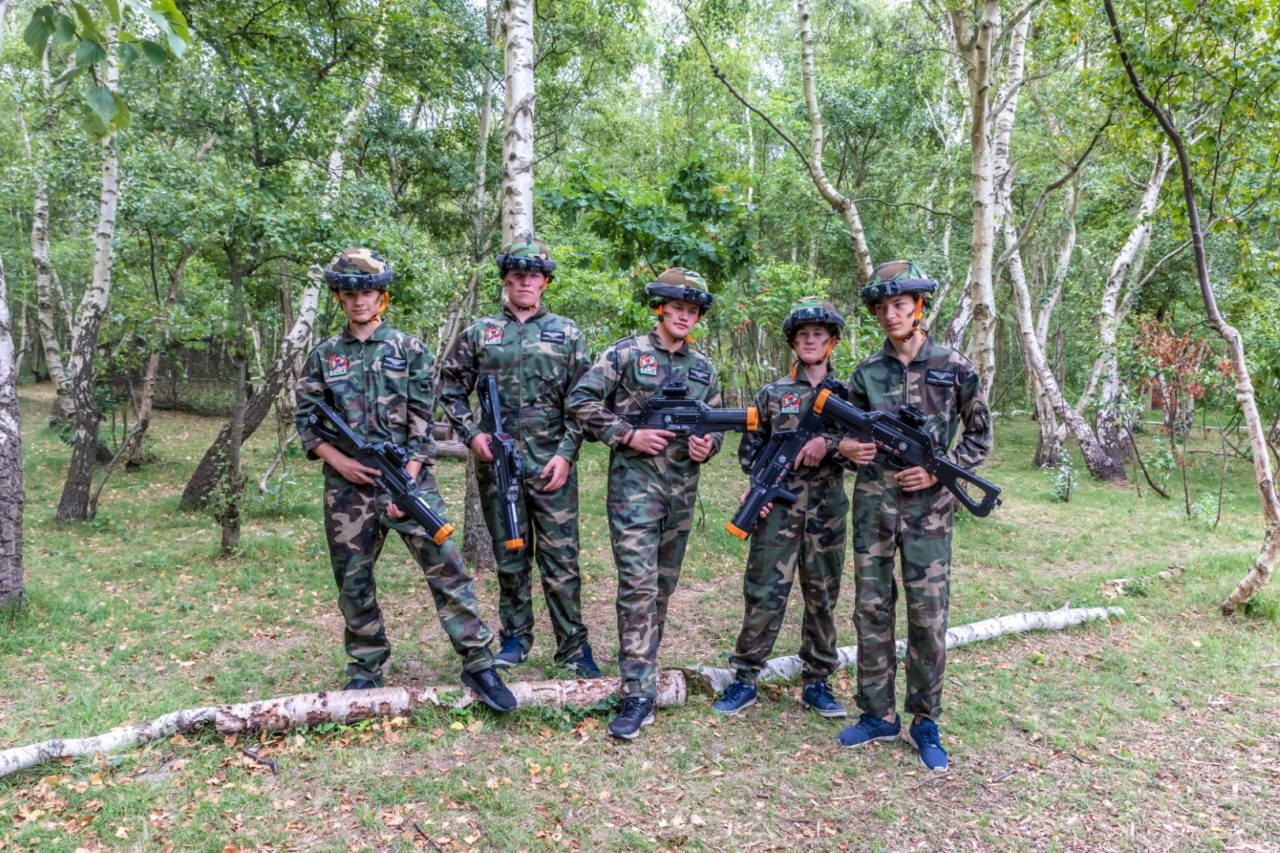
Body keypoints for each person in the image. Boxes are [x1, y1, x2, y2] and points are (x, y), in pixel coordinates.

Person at [294, 248, 516, 712]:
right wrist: (342, 464)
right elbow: (307, 421)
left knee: (448, 567)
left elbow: (423, 417)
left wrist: (407, 482)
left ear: (382, 297)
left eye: (369, 292)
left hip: (408, 479)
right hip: (347, 490)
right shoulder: (324, 356)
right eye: (351, 293)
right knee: (353, 581)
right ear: (338, 297)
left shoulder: (408, 348)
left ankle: (478, 662)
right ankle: (365, 667)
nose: (360, 301)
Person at [834, 261, 992, 770]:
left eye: (899, 305)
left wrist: (941, 474)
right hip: (874, 510)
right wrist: (847, 450)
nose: (890, 314)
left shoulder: (954, 366)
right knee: (871, 611)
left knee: (928, 618)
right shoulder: (864, 374)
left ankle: (925, 720)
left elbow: (979, 436)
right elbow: (844, 439)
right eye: (882, 307)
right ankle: (877, 714)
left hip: (930, 513)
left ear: (919, 308)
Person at [566, 267, 723, 739]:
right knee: (638, 585)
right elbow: (581, 400)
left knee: (662, 589)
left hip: (681, 493)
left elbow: (713, 422)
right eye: (676, 307)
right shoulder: (626, 352)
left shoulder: (703, 369)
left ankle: (645, 666)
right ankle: (638, 693)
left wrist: (708, 445)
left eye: (691, 310)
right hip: (635, 490)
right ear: (661, 308)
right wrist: (628, 434)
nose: (683, 316)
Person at [439, 235, 600, 679]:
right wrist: (471, 434)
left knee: (562, 562)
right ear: (506, 280)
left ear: (545, 281)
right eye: (517, 273)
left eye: (534, 274)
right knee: (510, 555)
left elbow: (582, 400)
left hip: (552, 467)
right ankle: (515, 638)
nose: (525, 281)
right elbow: (450, 388)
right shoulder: (480, 333)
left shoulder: (567, 333)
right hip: (498, 465)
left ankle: (573, 646)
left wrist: (567, 454)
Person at [713, 297, 850, 719]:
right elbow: (749, 451)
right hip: (779, 514)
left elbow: (863, 450)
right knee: (764, 595)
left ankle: (818, 681)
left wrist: (826, 444)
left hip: (827, 512)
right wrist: (757, 489)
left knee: (822, 597)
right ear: (793, 342)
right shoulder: (772, 393)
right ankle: (745, 678)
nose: (810, 341)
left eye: (819, 335)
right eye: (803, 335)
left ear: (832, 343)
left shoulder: (848, 395)